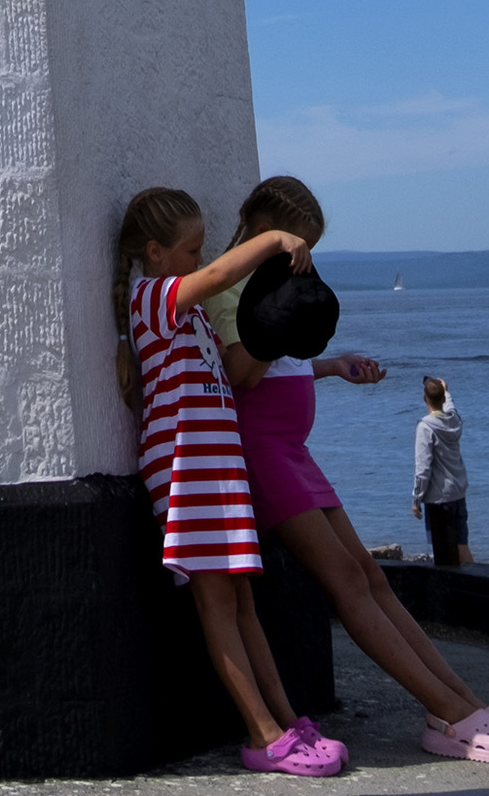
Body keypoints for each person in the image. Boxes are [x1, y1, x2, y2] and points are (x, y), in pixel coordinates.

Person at [213, 177, 489, 764]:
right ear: (262, 231)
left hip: (294, 451)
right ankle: (450, 714)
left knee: (372, 574)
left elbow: (282, 364)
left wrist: (331, 364)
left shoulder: (264, 285)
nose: (298, 258)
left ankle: (458, 700)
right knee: (344, 579)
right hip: (262, 455)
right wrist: (278, 321)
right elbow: (240, 374)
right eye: (291, 244)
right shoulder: (229, 286)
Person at [114, 183, 347, 774]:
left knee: (243, 603)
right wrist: (272, 239)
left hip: (218, 473)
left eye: (200, 250)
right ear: (155, 253)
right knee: (218, 604)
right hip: (187, 476)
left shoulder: (185, 313)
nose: (200, 259)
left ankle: (286, 720)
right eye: (190, 250)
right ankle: (262, 733)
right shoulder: (153, 296)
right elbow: (218, 276)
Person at [414, 377, 472, 566]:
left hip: (439, 498)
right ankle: (476, 583)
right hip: (458, 491)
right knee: (462, 545)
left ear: (425, 398)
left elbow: (423, 468)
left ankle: (451, 590)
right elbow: (451, 407)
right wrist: (446, 391)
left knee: (443, 552)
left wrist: (416, 499)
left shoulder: (426, 427)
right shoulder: (454, 420)